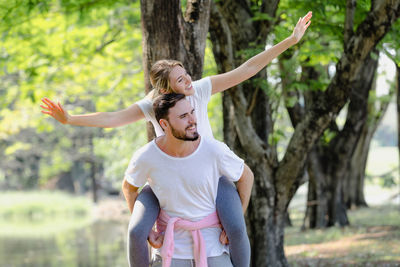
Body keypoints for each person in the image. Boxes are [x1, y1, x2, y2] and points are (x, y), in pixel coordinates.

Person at [40, 11, 312, 267]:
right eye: (181, 80)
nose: (188, 82)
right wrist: (71, 119)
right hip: (167, 179)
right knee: (136, 230)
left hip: (209, 175)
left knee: (237, 227)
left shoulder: (200, 90)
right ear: (165, 90)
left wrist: (291, 40)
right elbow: (112, 119)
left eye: (186, 75)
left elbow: (248, 69)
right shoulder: (152, 106)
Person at [125, 93, 253, 267]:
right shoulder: (146, 156)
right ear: (164, 124)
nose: (193, 120)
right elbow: (129, 188)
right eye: (184, 116)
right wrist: (148, 232)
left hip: (213, 247)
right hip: (170, 250)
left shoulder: (213, 150)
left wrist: (240, 213)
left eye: (192, 112)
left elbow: (246, 176)